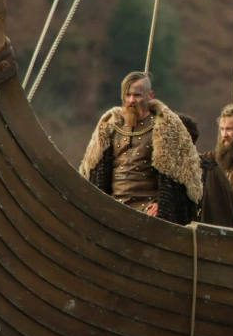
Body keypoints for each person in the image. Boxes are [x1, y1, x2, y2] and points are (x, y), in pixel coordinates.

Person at [79, 71, 203, 224]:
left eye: (137, 95)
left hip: (148, 210)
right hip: (112, 206)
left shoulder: (165, 128)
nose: (131, 100)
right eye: (128, 95)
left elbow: (178, 176)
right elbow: (98, 171)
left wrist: (162, 204)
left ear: (149, 95)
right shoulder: (110, 126)